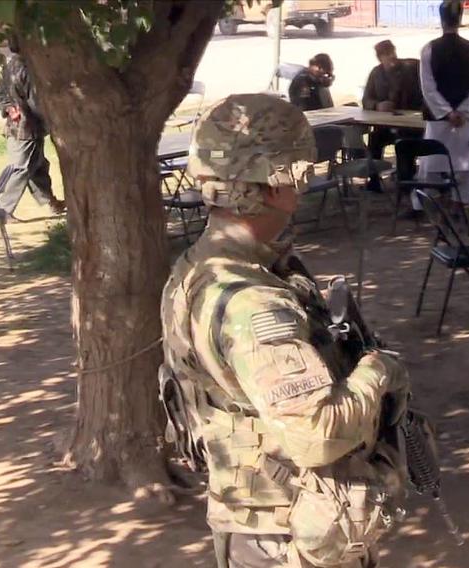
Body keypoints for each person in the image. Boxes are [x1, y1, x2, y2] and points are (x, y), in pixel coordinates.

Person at [160, 94, 410, 568]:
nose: (306, 182)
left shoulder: (199, 269)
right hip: (287, 535)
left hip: (259, 522)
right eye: (302, 170)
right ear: (275, 184)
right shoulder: (252, 302)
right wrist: (379, 373)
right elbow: (315, 435)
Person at [408, 0, 469, 218]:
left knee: (430, 163)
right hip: (464, 119)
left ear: (441, 20)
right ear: (459, 20)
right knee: (464, 165)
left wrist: (446, 112)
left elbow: (428, 87)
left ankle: (428, 202)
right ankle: (459, 204)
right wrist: (464, 110)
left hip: (440, 119)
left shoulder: (429, 49)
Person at [0, 38, 65, 215]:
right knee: (21, 168)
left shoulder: (8, 68)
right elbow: (37, 104)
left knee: (37, 166)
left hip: (21, 127)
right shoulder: (27, 70)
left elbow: (0, 98)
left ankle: (50, 202)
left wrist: (8, 109)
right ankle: (2, 208)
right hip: (26, 129)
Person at [361, 40, 422, 190]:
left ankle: (406, 180)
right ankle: (374, 180)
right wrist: (377, 105)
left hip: (409, 125)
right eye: (387, 54)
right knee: (374, 140)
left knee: (404, 143)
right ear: (380, 57)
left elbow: (421, 96)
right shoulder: (376, 73)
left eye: (392, 52)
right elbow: (366, 99)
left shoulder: (410, 69)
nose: (391, 56)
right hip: (385, 125)